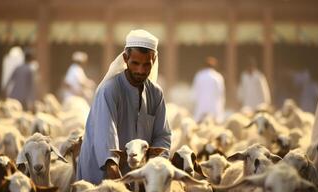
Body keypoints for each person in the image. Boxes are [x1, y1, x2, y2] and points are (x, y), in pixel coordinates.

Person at [76, 29, 171, 184]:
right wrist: (112, 166)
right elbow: (105, 132)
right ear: (126, 59)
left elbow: (163, 135)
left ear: (154, 60)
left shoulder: (156, 94)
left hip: (139, 175)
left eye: (147, 64)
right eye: (135, 63)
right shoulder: (110, 90)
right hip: (104, 174)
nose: (141, 70)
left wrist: (154, 164)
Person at [192, 56, 225, 123]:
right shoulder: (217, 77)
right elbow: (220, 94)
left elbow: (194, 92)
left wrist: (194, 105)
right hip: (213, 109)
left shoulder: (199, 75)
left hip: (201, 108)